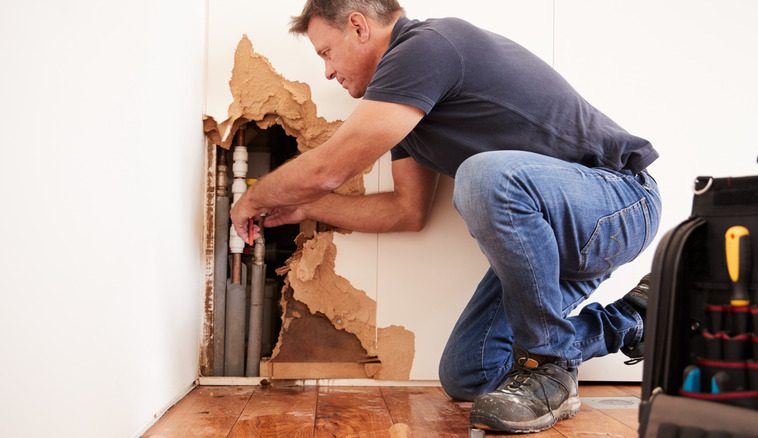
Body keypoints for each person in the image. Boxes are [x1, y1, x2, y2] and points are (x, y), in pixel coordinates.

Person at [230, 0, 661, 433]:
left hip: (618, 202)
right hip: (550, 243)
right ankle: (633, 320)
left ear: (358, 27)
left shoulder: (427, 47)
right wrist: (305, 207)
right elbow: (406, 210)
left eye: (326, 52)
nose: (327, 72)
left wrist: (252, 198)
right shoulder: (405, 112)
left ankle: (548, 369)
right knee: (469, 372)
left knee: (483, 175)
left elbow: (330, 169)